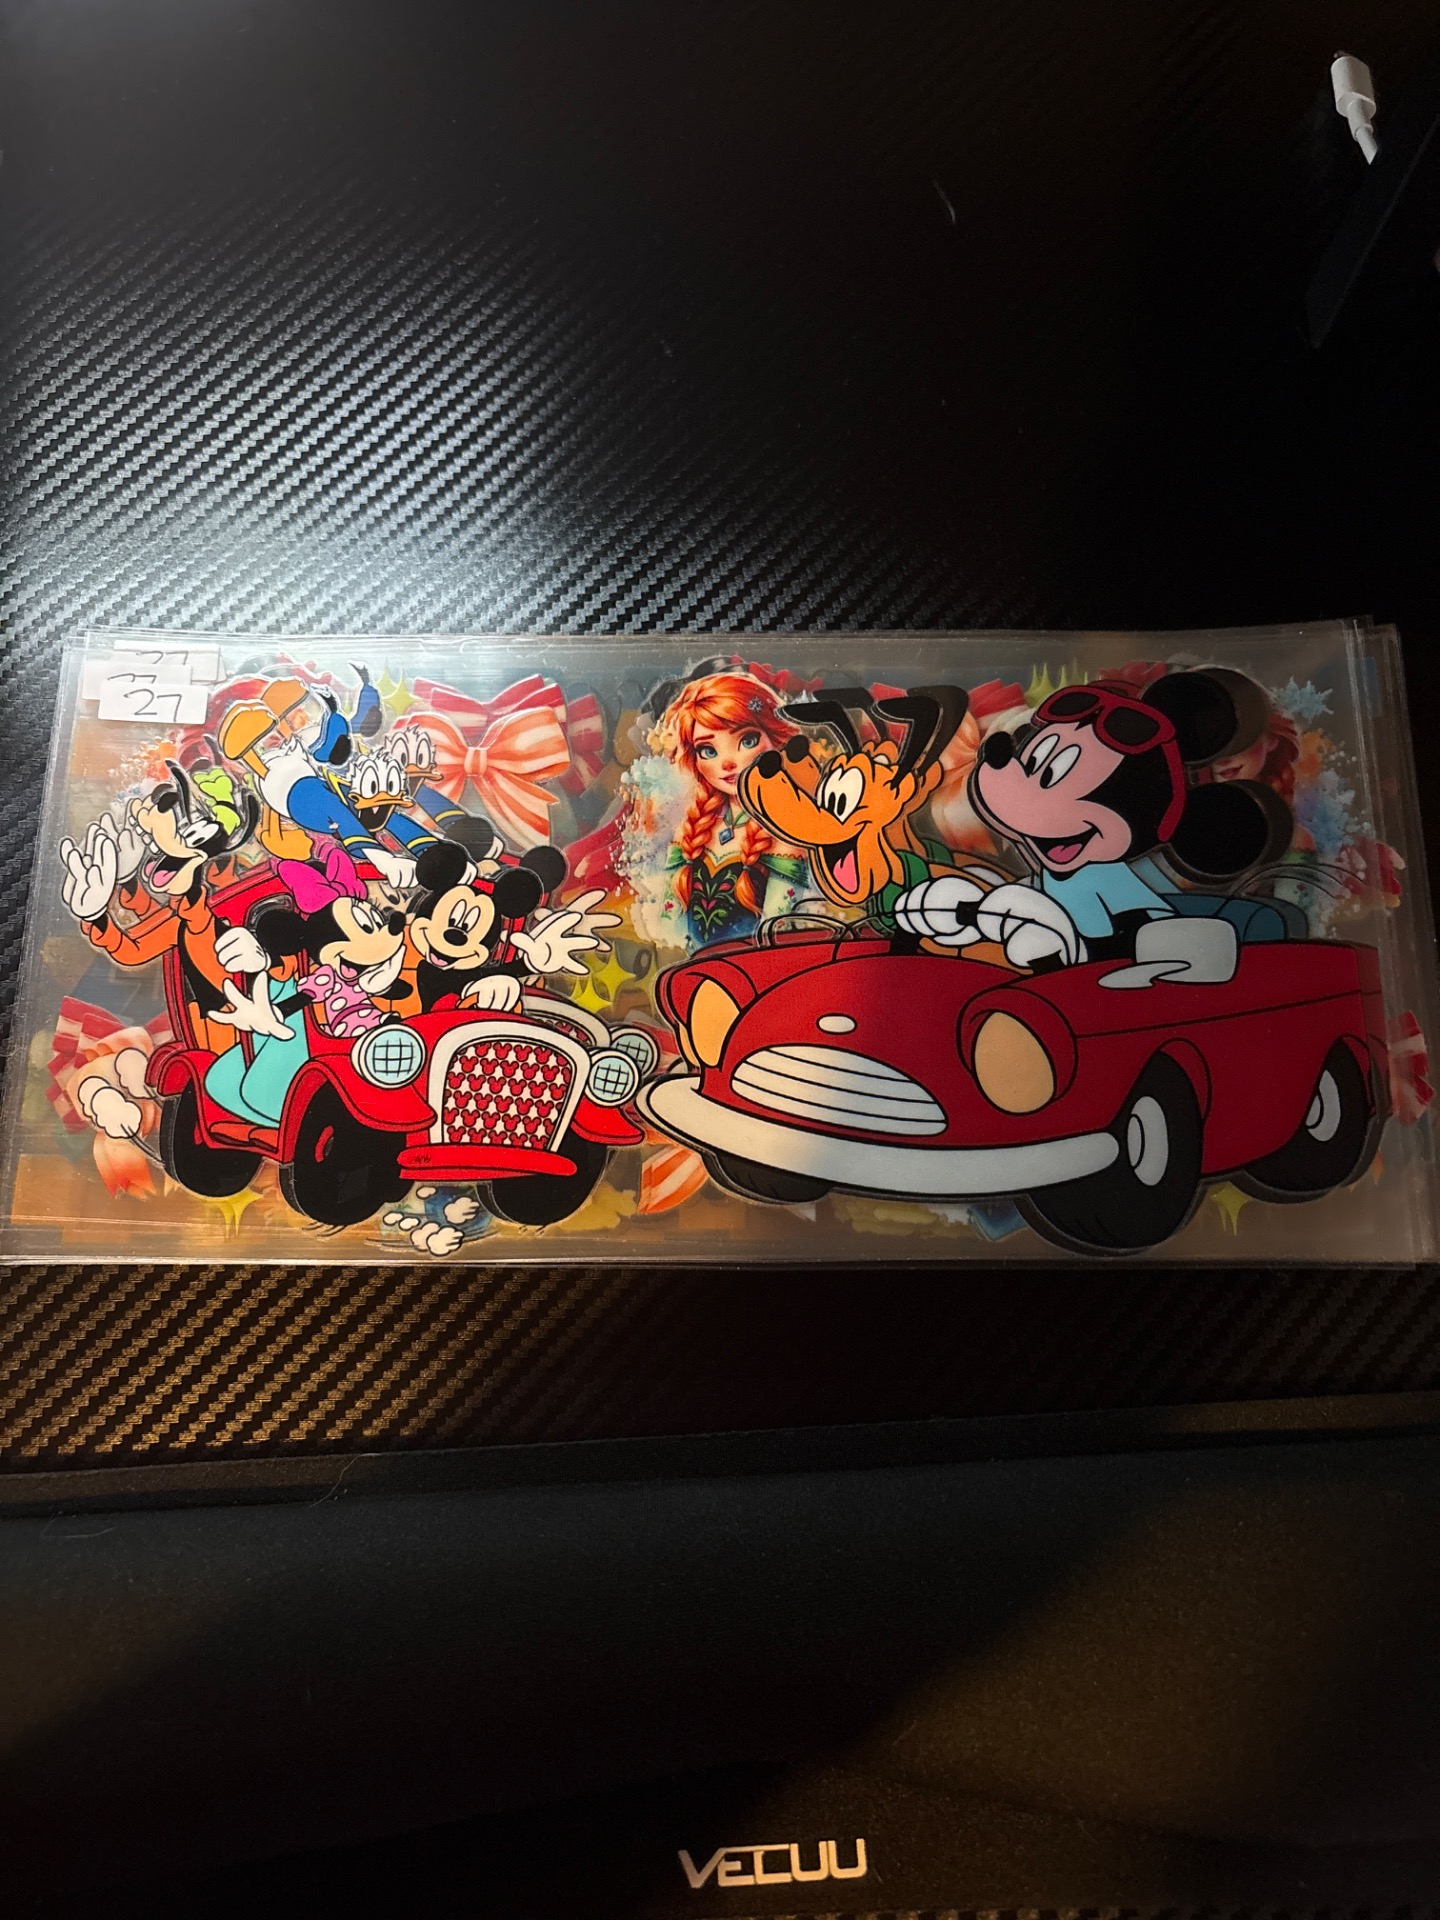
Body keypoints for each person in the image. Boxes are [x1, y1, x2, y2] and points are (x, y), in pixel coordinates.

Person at [652, 673, 806, 948]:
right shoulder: (693, 827)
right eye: (708, 750)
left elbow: (777, 931)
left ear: (776, 738)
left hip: (755, 968)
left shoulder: (786, 834)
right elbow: (669, 923)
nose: (727, 763)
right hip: (688, 967)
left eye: (747, 740)